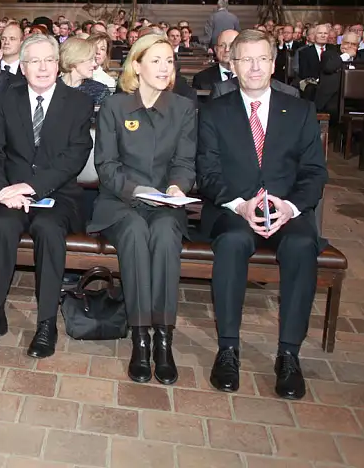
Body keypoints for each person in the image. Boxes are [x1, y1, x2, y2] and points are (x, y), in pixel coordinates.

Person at [197, 29, 328, 400]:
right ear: (232, 64)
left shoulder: (300, 111)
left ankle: (288, 354)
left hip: (287, 209)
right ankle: (228, 349)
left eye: (262, 59)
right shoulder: (214, 112)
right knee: (233, 242)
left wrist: (288, 208)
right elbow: (207, 173)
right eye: (245, 59)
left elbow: (315, 172)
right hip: (233, 209)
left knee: (303, 245)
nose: (254, 67)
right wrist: (240, 204)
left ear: (273, 64)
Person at [0, 33, 94, 358]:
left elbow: (76, 156)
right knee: (1, 227)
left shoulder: (79, 102)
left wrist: (32, 187)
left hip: (58, 195)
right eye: (34, 61)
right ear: (23, 68)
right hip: (11, 193)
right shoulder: (6, 99)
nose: (43, 68)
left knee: (48, 229)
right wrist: (1, 189)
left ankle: (46, 323)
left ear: (58, 64)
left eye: (49, 60)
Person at [88, 34, 196, 384]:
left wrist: (177, 187)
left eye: (169, 61)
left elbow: (184, 162)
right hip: (120, 203)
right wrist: (138, 191)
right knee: (134, 232)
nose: (165, 68)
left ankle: (163, 339)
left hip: (166, 204)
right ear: (137, 65)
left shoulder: (182, 108)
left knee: (165, 234)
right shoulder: (114, 107)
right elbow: (106, 165)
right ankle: (140, 339)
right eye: (156, 60)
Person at [59, 36, 110, 105]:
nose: (95, 64)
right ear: (74, 60)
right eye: (90, 59)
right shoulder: (51, 87)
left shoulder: (99, 91)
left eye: (94, 59)